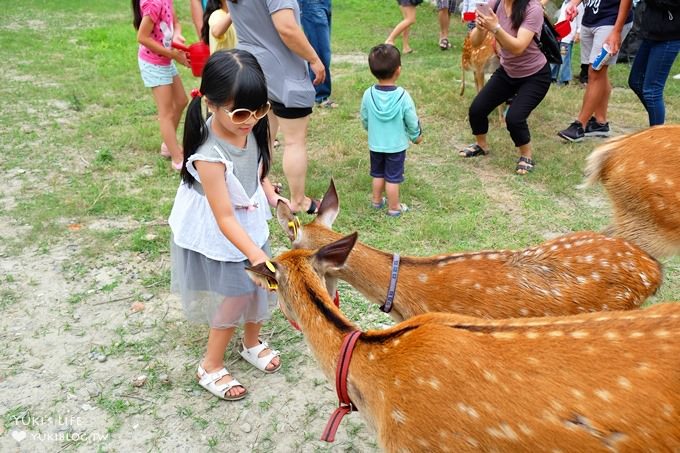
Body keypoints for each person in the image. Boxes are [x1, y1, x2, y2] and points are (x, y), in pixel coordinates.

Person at [169, 50, 289, 401]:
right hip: (223, 230)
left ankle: (251, 343)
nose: (250, 120)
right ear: (210, 104)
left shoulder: (253, 124)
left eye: (259, 109)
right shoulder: (208, 154)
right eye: (239, 112)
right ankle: (210, 363)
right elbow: (223, 217)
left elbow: (258, 169)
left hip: (250, 222)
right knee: (238, 292)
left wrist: (272, 196)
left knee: (259, 288)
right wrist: (255, 256)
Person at [227, 0, 325, 215]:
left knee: (263, 136)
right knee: (294, 140)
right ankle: (298, 201)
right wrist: (314, 58)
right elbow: (287, 28)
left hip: (250, 67)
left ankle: (259, 188)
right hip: (282, 70)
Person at [459, 0, 551, 175]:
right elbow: (476, 42)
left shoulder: (533, 8)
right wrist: (480, 28)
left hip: (535, 75)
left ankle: (526, 155)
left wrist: (495, 28)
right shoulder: (495, 4)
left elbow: (518, 47)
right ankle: (481, 145)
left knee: (515, 118)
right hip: (508, 71)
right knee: (477, 110)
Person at [557, 0, 633, 142]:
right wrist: (574, 3)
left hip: (611, 21)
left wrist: (617, 31)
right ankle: (600, 123)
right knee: (598, 72)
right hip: (590, 19)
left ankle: (580, 125)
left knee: (595, 72)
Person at [360, 44, 422, 217]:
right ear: (398, 70)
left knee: (378, 174)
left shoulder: (368, 94)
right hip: (396, 146)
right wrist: (416, 135)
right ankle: (394, 208)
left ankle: (376, 201)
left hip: (375, 144)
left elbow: (364, 117)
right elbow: (411, 118)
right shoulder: (403, 96)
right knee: (393, 178)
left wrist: (369, 128)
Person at [132, 0, 189, 171]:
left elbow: (176, 23)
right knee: (166, 112)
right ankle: (177, 159)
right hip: (153, 63)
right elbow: (142, 37)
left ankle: (168, 145)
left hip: (165, 60)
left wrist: (177, 35)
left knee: (181, 101)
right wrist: (173, 55)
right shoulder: (154, 4)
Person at [627, 0, 680, 126]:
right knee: (635, 82)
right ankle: (659, 127)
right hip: (651, 34)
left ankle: (657, 137)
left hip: (669, 37)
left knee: (652, 91)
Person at [299, 0, 337, 108]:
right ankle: (320, 96)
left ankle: (310, 90)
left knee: (319, 47)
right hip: (311, 3)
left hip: (323, 2)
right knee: (320, 51)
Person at [551, 0, 584, 86]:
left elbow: (581, 20)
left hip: (567, 38)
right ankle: (552, 76)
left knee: (564, 58)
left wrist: (578, 32)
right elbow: (561, 18)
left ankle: (564, 79)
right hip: (559, 36)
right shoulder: (565, 3)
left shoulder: (578, 5)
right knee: (555, 56)